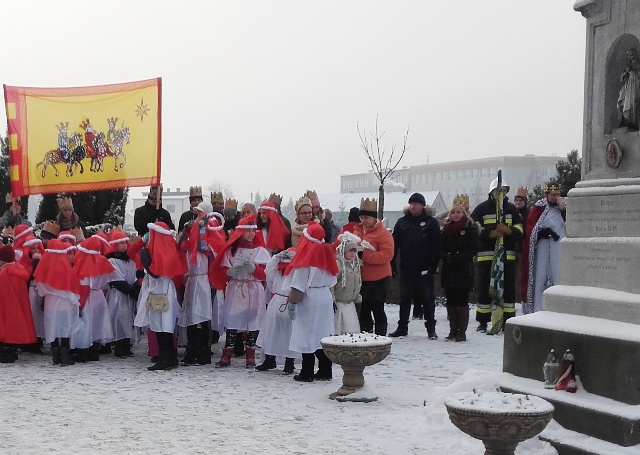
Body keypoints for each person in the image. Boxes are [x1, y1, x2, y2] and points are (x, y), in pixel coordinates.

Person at [210, 216, 270, 368]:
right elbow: (223, 269)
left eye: (252, 230)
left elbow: (266, 273)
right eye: (247, 231)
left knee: (253, 321)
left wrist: (255, 269)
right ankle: (227, 353)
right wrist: (229, 272)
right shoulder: (231, 250)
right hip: (236, 288)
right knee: (232, 320)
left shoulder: (260, 251)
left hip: (253, 288)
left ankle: (250, 354)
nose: (251, 234)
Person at [284, 222, 338, 382]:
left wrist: (292, 302)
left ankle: (306, 371)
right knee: (323, 334)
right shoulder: (326, 252)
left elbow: (299, 286)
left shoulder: (306, 257)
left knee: (307, 334)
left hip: (309, 299)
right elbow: (333, 278)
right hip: (325, 297)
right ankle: (325, 369)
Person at [470, 175, 523, 333]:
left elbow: (521, 228)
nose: (501, 194)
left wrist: (509, 230)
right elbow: (474, 227)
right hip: (487, 256)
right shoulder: (482, 208)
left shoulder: (511, 209)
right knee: (485, 289)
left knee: (508, 290)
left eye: (504, 191)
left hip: (507, 257)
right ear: (491, 192)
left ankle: (507, 319)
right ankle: (483, 321)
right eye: (498, 191)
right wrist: (490, 234)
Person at [134, 221, 186, 371]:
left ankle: (166, 357)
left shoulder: (163, 252)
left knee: (164, 326)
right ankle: (168, 356)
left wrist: (146, 261)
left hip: (161, 291)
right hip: (159, 291)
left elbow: (157, 273)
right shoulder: (162, 250)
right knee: (160, 326)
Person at [389, 193, 441, 339]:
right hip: (407, 268)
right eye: (411, 203)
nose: (413, 206)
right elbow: (394, 244)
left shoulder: (431, 223)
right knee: (404, 299)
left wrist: (433, 266)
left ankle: (431, 329)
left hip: (424, 268)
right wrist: (392, 263)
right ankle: (402, 327)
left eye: (416, 204)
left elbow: (436, 246)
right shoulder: (402, 222)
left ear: (423, 206)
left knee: (427, 299)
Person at [177, 201, 215, 366]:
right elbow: (181, 247)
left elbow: (212, 251)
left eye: (200, 213)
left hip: (202, 278)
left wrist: (203, 241)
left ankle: (204, 351)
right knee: (191, 315)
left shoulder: (210, 233)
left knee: (203, 315)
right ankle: (191, 349)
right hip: (192, 278)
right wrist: (186, 232)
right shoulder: (191, 233)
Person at [34, 239, 82, 366]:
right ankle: (65, 356)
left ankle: (55, 356)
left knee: (52, 326)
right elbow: (72, 284)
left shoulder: (44, 264)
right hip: (66, 302)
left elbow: (40, 287)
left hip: (50, 301)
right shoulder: (64, 265)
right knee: (65, 326)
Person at [522, 182, 566, 314]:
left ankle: (558, 309)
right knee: (540, 280)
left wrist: (564, 210)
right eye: (553, 195)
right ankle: (538, 309)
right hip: (541, 251)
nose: (556, 197)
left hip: (558, 251)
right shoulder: (539, 208)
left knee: (558, 278)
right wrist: (540, 233)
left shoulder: (563, 208)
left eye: (558, 194)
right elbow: (530, 231)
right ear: (546, 195)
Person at [438, 195, 478, 342]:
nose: (455, 215)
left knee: (461, 301)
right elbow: (439, 248)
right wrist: (446, 256)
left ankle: (462, 332)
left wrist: (458, 257)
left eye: (458, 212)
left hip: (463, 270)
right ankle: (452, 330)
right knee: (451, 300)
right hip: (449, 269)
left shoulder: (470, 228)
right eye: (453, 212)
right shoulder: (445, 230)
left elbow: (473, 249)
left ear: (464, 213)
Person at [353, 198, 394, 336]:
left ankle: (381, 336)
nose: (363, 221)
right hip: (362, 278)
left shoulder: (383, 233)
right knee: (364, 308)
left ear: (374, 218)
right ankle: (366, 335)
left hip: (379, 278)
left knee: (377, 308)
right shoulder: (357, 231)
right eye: (361, 217)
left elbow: (387, 255)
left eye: (366, 217)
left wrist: (364, 255)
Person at [71, 235, 115, 362]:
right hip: (99, 296)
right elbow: (107, 282)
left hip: (87, 298)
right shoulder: (102, 262)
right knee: (98, 324)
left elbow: (85, 285)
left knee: (86, 325)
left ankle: (83, 351)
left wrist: (80, 304)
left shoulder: (84, 264)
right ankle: (94, 351)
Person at [255, 248, 298, 375]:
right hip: (277, 301)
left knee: (289, 334)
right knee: (271, 331)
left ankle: (289, 362)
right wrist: (276, 258)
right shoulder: (277, 273)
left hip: (290, 302)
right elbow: (268, 270)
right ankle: (269, 359)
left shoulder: (297, 272)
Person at [105, 228, 140, 358]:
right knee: (119, 318)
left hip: (128, 294)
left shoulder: (130, 261)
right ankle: (119, 346)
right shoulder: (111, 261)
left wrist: (135, 287)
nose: (125, 246)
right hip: (118, 295)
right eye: (121, 243)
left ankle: (126, 345)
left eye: (126, 243)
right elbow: (116, 278)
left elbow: (135, 275)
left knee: (128, 318)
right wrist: (130, 290)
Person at [0, 244, 37, 363]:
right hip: (18, 305)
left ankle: (6, 352)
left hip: (7, 306)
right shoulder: (18, 269)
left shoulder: (5, 273)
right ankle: (12, 351)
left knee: (7, 330)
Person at [331, 232, 362, 334]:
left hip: (350, 304)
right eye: (350, 251)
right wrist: (332, 300)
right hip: (340, 304)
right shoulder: (339, 264)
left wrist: (358, 299)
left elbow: (357, 284)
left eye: (354, 251)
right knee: (339, 329)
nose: (353, 253)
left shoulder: (355, 265)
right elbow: (331, 284)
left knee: (351, 330)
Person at [513, 186, 530, 304]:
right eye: (516, 200)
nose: (518, 202)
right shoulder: (511, 212)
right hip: (512, 247)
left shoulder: (528, 214)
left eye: (520, 200)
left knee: (521, 273)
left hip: (523, 247)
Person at [617, 48, 640, 130]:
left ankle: (634, 123)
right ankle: (628, 122)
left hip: (636, 87)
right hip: (628, 88)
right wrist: (626, 72)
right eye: (629, 55)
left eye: (632, 54)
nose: (631, 56)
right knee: (626, 105)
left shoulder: (638, 64)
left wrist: (634, 72)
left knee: (634, 103)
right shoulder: (628, 66)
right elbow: (622, 78)